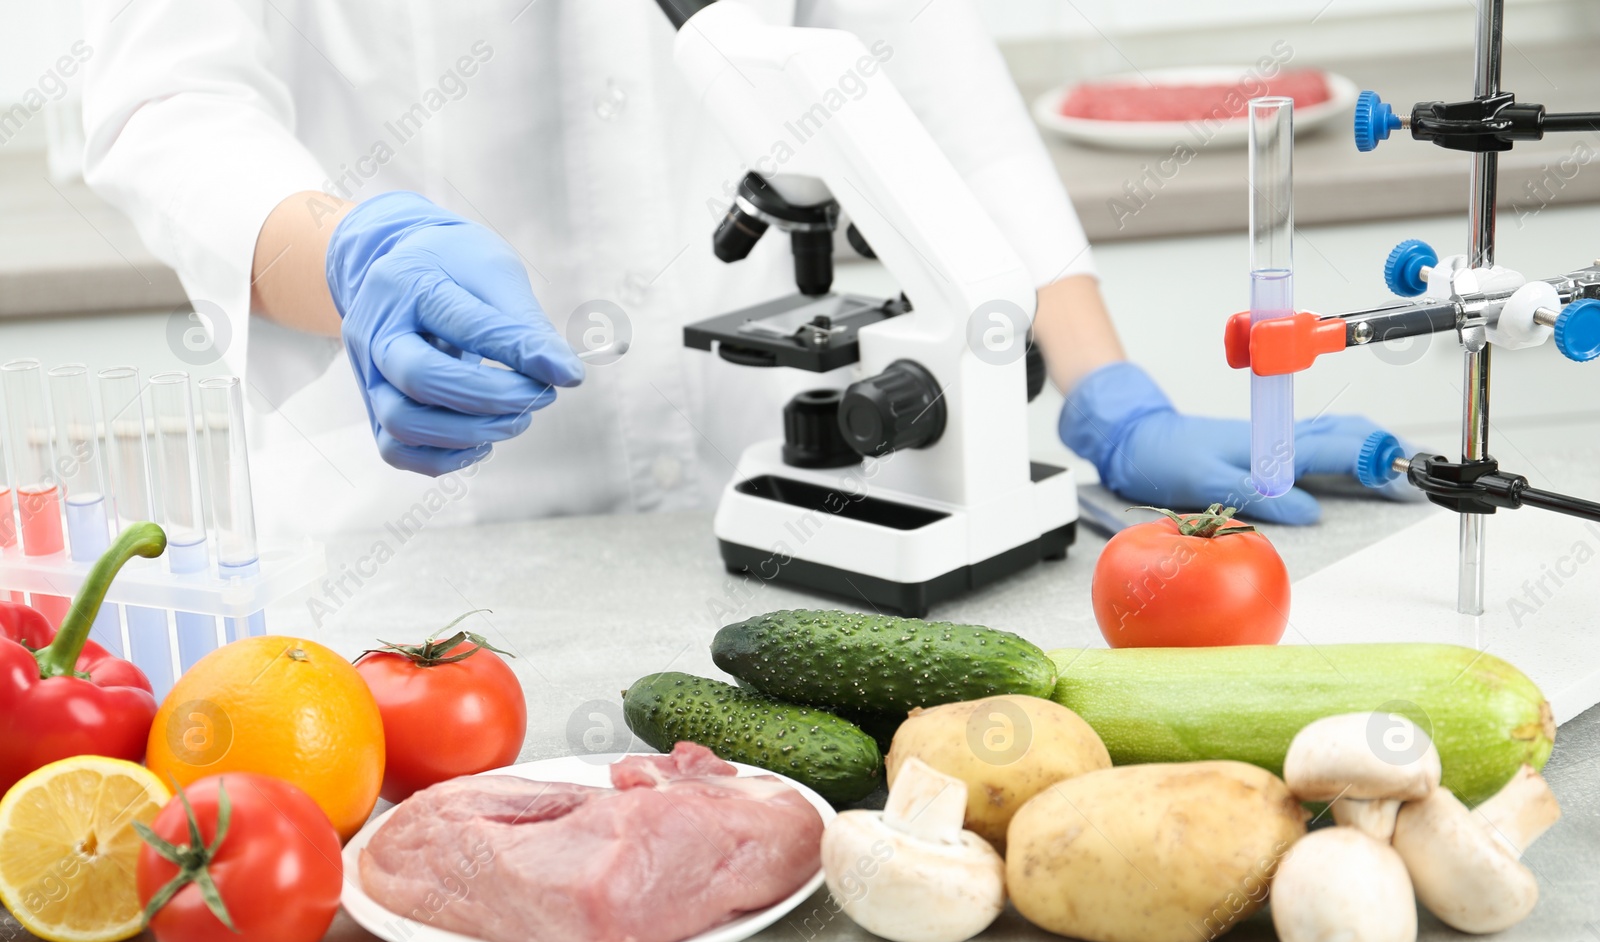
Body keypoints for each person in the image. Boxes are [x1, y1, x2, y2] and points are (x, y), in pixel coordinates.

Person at [82, 0, 1409, 541]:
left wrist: (1106, 390)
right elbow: (166, 106)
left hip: (754, 503)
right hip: (401, 531)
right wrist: (355, 258)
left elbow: (930, 75)